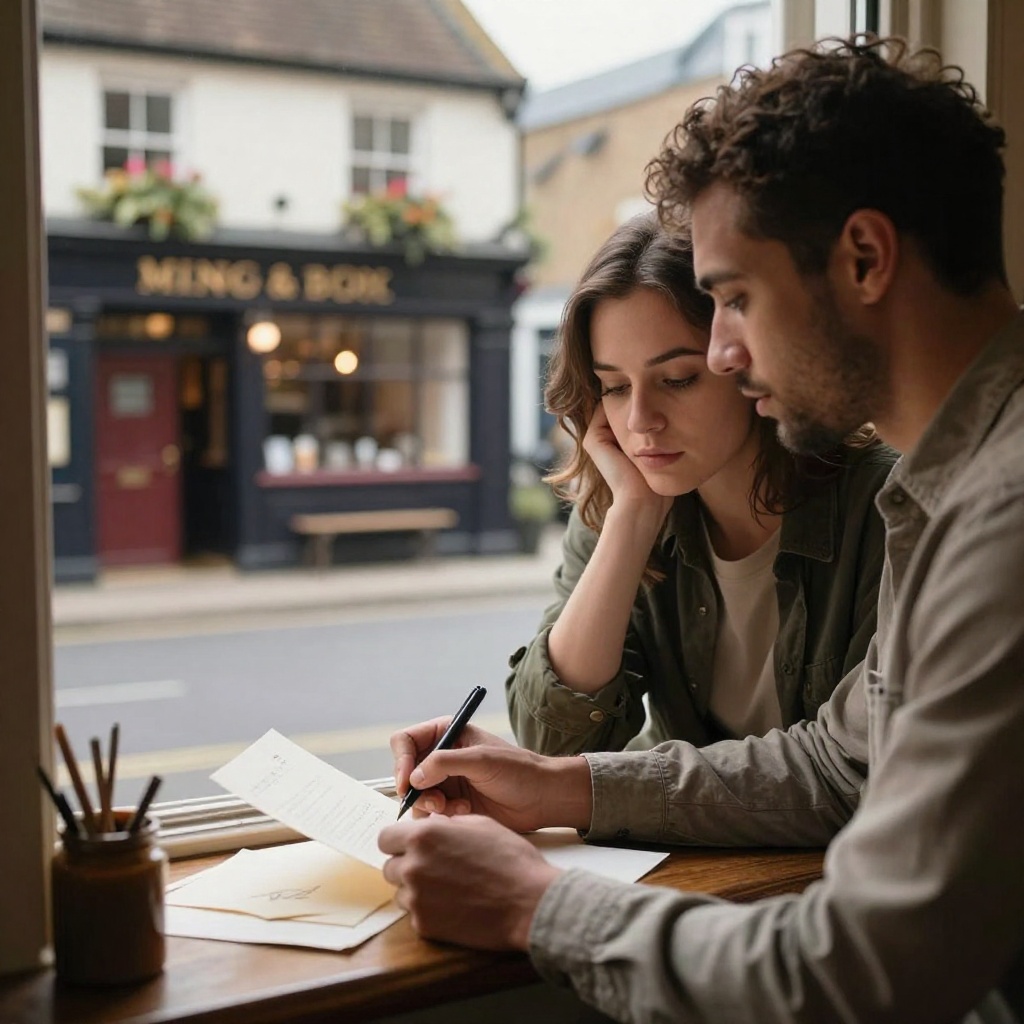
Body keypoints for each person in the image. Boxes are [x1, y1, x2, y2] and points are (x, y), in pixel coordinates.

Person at [379, 37, 1024, 1024]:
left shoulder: (998, 514)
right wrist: (560, 783)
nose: (724, 350)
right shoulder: (948, 490)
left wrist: (536, 901)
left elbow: (874, 969)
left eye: (733, 298)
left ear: (863, 257)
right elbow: (835, 761)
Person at [506, 213, 894, 755]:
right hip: (687, 840)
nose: (640, 419)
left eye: (677, 379)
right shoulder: (618, 507)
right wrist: (632, 518)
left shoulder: (886, 504)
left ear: (751, 360)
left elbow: (855, 768)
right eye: (614, 387)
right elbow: (552, 742)